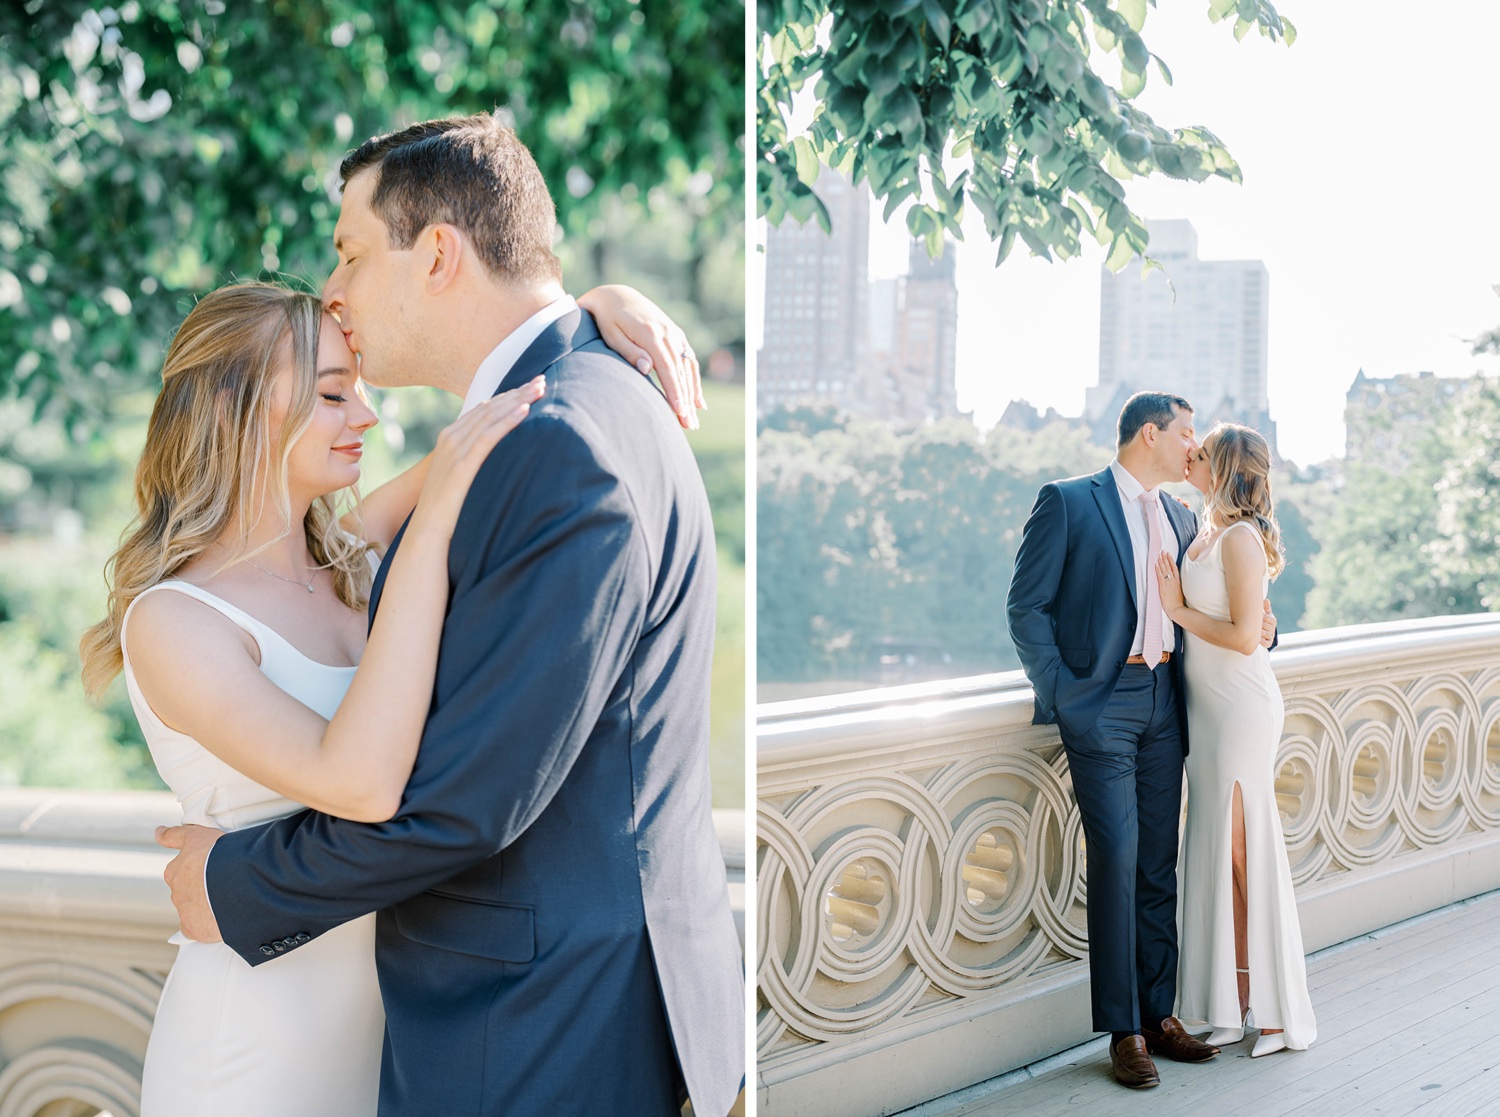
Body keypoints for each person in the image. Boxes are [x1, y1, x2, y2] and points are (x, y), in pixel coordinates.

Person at [151, 115, 744, 1116]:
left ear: (435, 254)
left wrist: (235, 886)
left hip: (535, 1017)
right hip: (520, 1000)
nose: (331, 290)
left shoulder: (555, 446)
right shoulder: (558, 412)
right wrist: (591, 311)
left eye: (347, 251)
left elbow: (464, 801)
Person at [1006, 391, 1274, 1090]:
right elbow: (1025, 606)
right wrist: (1065, 693)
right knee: (1117, 858)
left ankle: (1161, 1016)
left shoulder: (1186, 514)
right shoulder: (1068, 501)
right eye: (1186, 432)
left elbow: (1230, 600)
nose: (1194, 446)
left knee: (1158, 861)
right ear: (1148, 433)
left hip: (1168, 701)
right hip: (1101, 704)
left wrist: (1272, 631)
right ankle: (1123, 1030)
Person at [1155, 423, 1316, 1058]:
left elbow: (1247, 637)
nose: (1188, 458)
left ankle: (1274, 1013)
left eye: (1200, 454)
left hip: (1243, 709)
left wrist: (1177, 611)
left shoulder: (1243, 539)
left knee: (1245, 852)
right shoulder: (1204, 531)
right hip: (1207, 712)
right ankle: (1227, 1003)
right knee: (1217, 853)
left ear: (1220, 469)